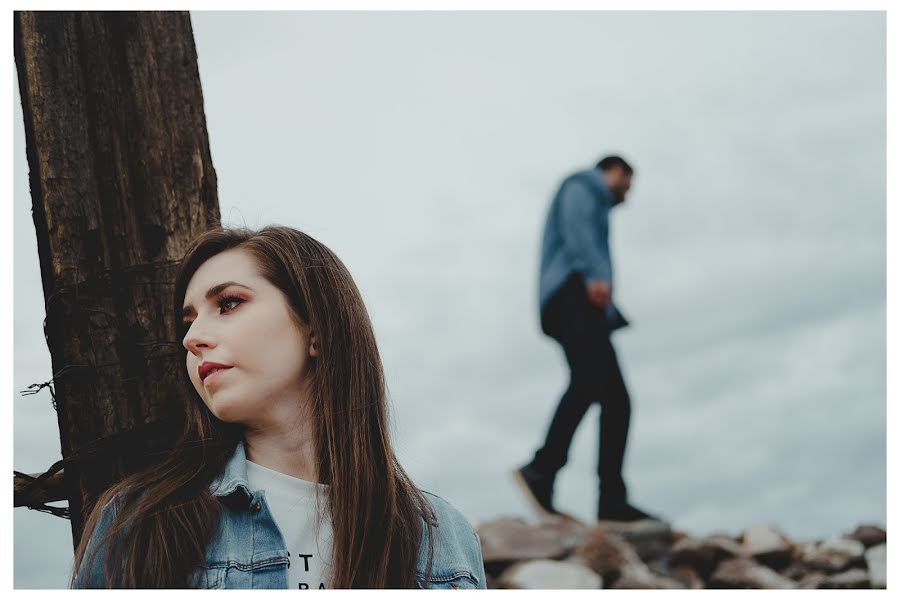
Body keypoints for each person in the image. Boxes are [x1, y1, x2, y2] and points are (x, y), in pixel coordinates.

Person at [69, 225, 486, 589]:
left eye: (229, 303)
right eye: (187, 322)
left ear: (316, 330)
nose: (192, 338)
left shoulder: (442, 537)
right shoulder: (139, 522)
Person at [513, 156, 661, 524]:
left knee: (616, 400)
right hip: (573, 295)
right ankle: (542, 470)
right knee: (595, 384)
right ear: (616, 171)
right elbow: (577, 226)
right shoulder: (584, 185)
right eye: (628, 184)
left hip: (576, 300)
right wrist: (596, 275)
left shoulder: (588, 191)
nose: (627, 196)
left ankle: (607, 499)